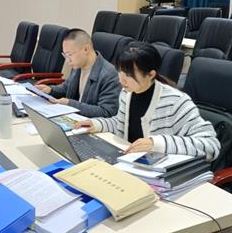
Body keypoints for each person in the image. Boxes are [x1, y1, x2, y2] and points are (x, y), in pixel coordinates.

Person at [74, 42, 220, 161]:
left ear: (151, 74)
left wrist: (156, 143)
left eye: (129, 74)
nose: (121, 79)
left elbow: (211, 146)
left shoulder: (176, 102)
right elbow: (121, 124)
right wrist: (97, 124)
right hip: (131, 163)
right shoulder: (127, 93)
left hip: (162, 175)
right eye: (120, 71)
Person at [36, 28, 121, 117]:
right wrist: (50, 90)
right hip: (73, 117)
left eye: (70, 55)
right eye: (65, 55)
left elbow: (106, 111)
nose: (68, 61)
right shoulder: (78, 65)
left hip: (90, 122)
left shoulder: (110, 75)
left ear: (86, 49)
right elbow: (66, 88)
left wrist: (70, 104)